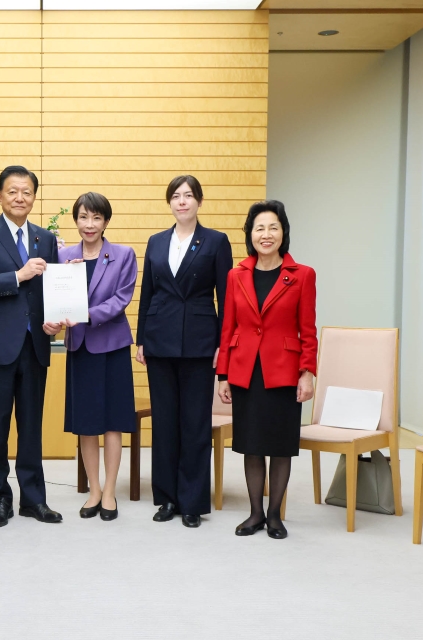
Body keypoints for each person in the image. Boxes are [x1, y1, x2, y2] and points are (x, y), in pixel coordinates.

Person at [0, 165, 62, 528]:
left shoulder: (45, 238)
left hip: (35, 345)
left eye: (27, 192)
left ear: (34, 197)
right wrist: (18, 276)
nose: (20, 198)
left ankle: (34, 500)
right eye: (13, 191)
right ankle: (0, 498)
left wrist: (55, 320)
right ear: (0, 195)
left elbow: (51, 290)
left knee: (31, 427)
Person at [136, 175, 232, 528]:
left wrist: (223, 344)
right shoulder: (156, 241)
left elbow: (227, 298)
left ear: (199, 202)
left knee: (194, 424)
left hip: (199, 342)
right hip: (159, 339)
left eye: (188, 195)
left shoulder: (216, 241)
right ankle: (166, 498)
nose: (182, 201)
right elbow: (147, 293)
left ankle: (192, 502)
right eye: (176, 196)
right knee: (164, 423)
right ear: (170, 203)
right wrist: (141, 339)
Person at [217, 200, 317, 539]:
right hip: (246, 371)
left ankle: (274, 515)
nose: (266, 234)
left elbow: (308, 329)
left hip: (284, 371)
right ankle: (255, 513)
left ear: (283, 232)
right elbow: (228, 328)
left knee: (280, 445)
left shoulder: (302, 275)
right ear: (250, 234)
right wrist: (223, 375)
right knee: (252, 443)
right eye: (259, 228)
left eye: (273, 227)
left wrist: (307, 372)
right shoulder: (236, 275)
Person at [49, 192, 137, 521]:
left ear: (106, 221)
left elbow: (121, 299)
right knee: (87, 424)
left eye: (97, 218)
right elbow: (54, 299)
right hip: (81, 348)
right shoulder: (63, 256)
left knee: (112, 423)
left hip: (112, 346)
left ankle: (110, 491)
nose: (90, 224)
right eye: (84, 217)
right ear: (76, 220)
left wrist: (84, 313)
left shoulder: (123, 255)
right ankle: (95, 490)